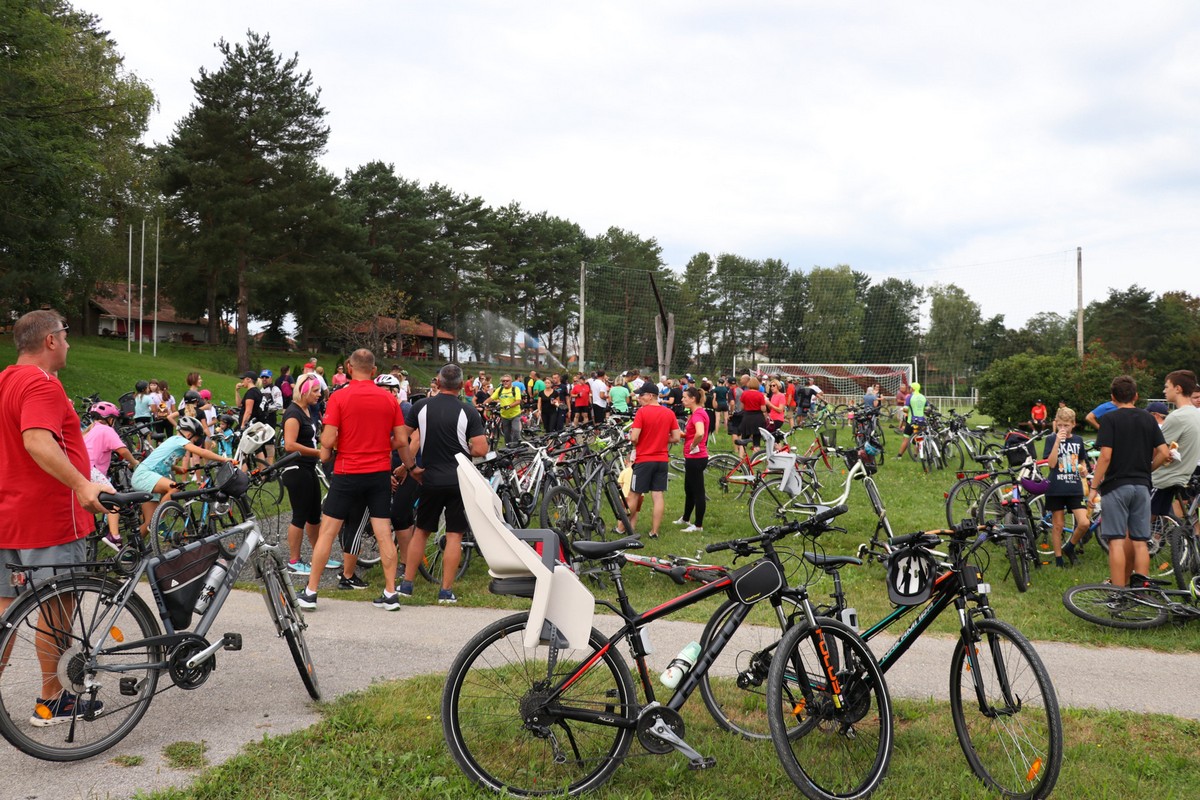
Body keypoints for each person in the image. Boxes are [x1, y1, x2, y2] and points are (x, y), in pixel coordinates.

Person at [0, 310, 108, 725]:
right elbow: (37, 441)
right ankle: (54, 700)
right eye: (65, 336)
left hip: (8, 517)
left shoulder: (6, 379)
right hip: (48, 518)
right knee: (57, 612)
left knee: (5, 613)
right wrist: (82, 486)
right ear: (50, 340)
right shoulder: (42, 383)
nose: (69, 343)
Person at [298, 349, 408, 612]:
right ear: (373, 370)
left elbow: (326, 440)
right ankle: (391, 592)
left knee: (328, 531)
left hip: (347, 471)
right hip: (379, 471)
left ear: (348, 367)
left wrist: (334, 445)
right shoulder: (389, 399)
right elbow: (402, 440)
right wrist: (383, 446)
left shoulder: (339, 396)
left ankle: (311, 591)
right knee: (383, 533)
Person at [399, 364, 488, 604]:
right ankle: (446, 591)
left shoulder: (420, 406)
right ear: (461, 386)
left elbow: (400, 439)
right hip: (458, 478)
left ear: (437, 383)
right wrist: (464, 448)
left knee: (421, 532)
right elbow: (481, 448)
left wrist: (410, 467)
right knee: (454, 534)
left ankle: (407, 584)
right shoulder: (468, 411)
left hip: (429, 476)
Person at [1088, 375, 1169, 587]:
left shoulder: (1109, 419)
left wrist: (1094, 487)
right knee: (1141, 541)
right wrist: (1148, 469)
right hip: (1142, 486)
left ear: (1113, 397)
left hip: (1116, 485)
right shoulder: (1149, 419)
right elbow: (1163, 452)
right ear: (1136, 396)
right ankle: (1141, 592)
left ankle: (1118, 590)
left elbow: (1105, 456)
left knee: (1116, 541)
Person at [132, 415, 240, 536]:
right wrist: (224, 460)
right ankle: (159, 521)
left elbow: (160, 459)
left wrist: (176, 468)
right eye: (194, 441)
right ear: (189, 435)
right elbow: (202, 452)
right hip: (144, 475)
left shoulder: (172, 441)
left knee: (148, 524)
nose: (193, 443)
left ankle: (131, 552)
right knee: (174, 487)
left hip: (147, 477)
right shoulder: (178, 440)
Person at [280, 373, 324, 575]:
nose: (319, 394)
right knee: (300, 514)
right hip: (296, 468)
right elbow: (289, 444)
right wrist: (318, 452)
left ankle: (319, 555)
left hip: (308, 467)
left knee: (315, 514)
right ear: (304, 390)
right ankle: (294, 560)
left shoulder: (307, 410)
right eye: (315, 391)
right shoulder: (293, 413)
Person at [627, 382, 681, 539]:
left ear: (650, 396)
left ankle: (623, 527)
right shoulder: (669, 413)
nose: (639, 398)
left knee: (634, 494)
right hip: (662, 460)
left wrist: (634, 440)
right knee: (658, 495)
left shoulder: (642, 413)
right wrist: (662, 440)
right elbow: (676, 437)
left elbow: (635, 437)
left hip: (644, 460)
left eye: (642, 395)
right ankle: (654, 531)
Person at [1043, 407, 1091, 567]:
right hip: (1056, 487)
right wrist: (1057, 441)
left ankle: (1070, 547)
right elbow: (1051, 464)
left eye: (1066, 426)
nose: (1063, 429)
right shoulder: (1051, 439)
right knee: (1058, 525)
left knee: (1084, 523)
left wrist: (1084, 469)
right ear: (1056, 424)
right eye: (1060, 425)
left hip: (1074, 487)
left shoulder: (1078, 440)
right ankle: (1058, 559)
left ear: (1073, 424)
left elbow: (1082, 461)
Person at [1151, 370, 1200, 521]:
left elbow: (1159, 451)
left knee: (1136, 524)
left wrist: (1146, 470)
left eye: (1167, 387)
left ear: (1177, 388)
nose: (1164, 391)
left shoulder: (1177, 417)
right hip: (1183, 475)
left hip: (1163, 478)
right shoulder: (1196, 414)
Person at [674, 386, 709, 533]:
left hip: (696, 457)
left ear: (693, 399)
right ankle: (686, 518)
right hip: (693, 457)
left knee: (698, 492)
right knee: (689, 489)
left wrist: (693, 445)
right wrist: (682, 435)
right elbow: (694, 432)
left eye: (684, 397)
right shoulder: (697, 413)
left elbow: (700, 433)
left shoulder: (698, 415)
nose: (682, 399)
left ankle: (698, 525)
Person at [896, 381, 928, 459]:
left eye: (910, 388)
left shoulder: (909, 397)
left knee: (906, 439)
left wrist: (904, 409)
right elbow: (927, 409)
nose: (909, 389)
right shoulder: (923, 397)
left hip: (911, 421)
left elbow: (906, 409)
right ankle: (916, 455)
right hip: (921, 421)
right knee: (919, 438)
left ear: (913, 389)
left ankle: (899, 456)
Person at [489, 374, 523, 445]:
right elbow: (491, 398)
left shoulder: (515, 389)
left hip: (515, 414)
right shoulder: (500, 390)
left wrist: (509, 406)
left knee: (515, 430)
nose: (505, 382)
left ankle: (517, 446)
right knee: (506, 434)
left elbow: (518, 401)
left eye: (507, 381)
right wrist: (482, 404)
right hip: (505, 415)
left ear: (511, 381)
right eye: (503, 381)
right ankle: (509, 448)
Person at [738, 376, 768, 452]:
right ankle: (755, 458)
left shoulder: (744, 394)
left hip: (747, 417)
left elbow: (742, 407)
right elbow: (763, 409)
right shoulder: (760, 395)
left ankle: (742, 457)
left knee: (744, 439)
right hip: (758, 417)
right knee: (756, 440)